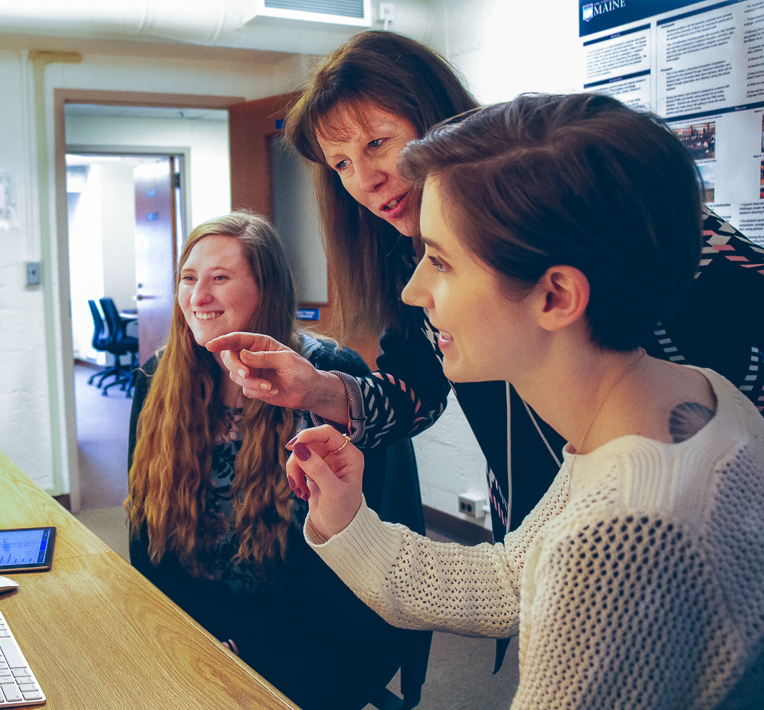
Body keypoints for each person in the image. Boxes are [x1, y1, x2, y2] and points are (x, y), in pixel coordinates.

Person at [287, 93, 764, 709]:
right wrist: (346, 519)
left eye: (439, 261)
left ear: (556, 296)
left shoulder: (611, 545)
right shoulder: (697, 395)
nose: (412, 290)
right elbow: (513, 577)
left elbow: (564, 567)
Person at [209, 28, 764, 553]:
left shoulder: (566, 194)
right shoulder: (403, 252)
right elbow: (417, 390)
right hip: (541, 516)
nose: (364, 180)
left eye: (377, 143)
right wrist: (319, 389)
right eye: (341, 165)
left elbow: (738, 284)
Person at [125, 212, 402, 710]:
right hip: (196, 620)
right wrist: (176, 627)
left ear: (266, 287)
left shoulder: (330, 377)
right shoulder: (156, 379)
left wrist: (250, 647)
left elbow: (355, 547)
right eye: (189, 278)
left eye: (220, 279)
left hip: (307, 627)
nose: (198, 297)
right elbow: (146, 529)